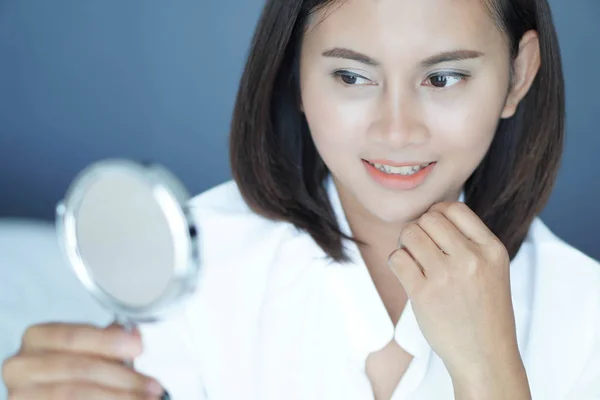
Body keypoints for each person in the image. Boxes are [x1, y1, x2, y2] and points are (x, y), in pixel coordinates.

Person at [3, 0, 599, 398]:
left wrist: (490, 375)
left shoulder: (585, 317)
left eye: (442, 78)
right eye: (351, 76)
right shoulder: (191, 274)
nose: (396, 130)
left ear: (518, 76)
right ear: (296, 73)